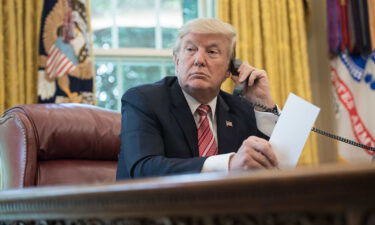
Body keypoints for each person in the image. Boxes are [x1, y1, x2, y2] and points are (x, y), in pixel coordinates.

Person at [116, 18, 279, 180]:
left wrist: (263, 104)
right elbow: (145, 169)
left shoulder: (240, 109)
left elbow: (274, 169)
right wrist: (228, 165)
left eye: (212, 52)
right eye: (190, 49)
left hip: (226, 205)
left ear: (230, 69)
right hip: (156, 205)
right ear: (176, 60)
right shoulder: (144, 100)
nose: (199, 60)